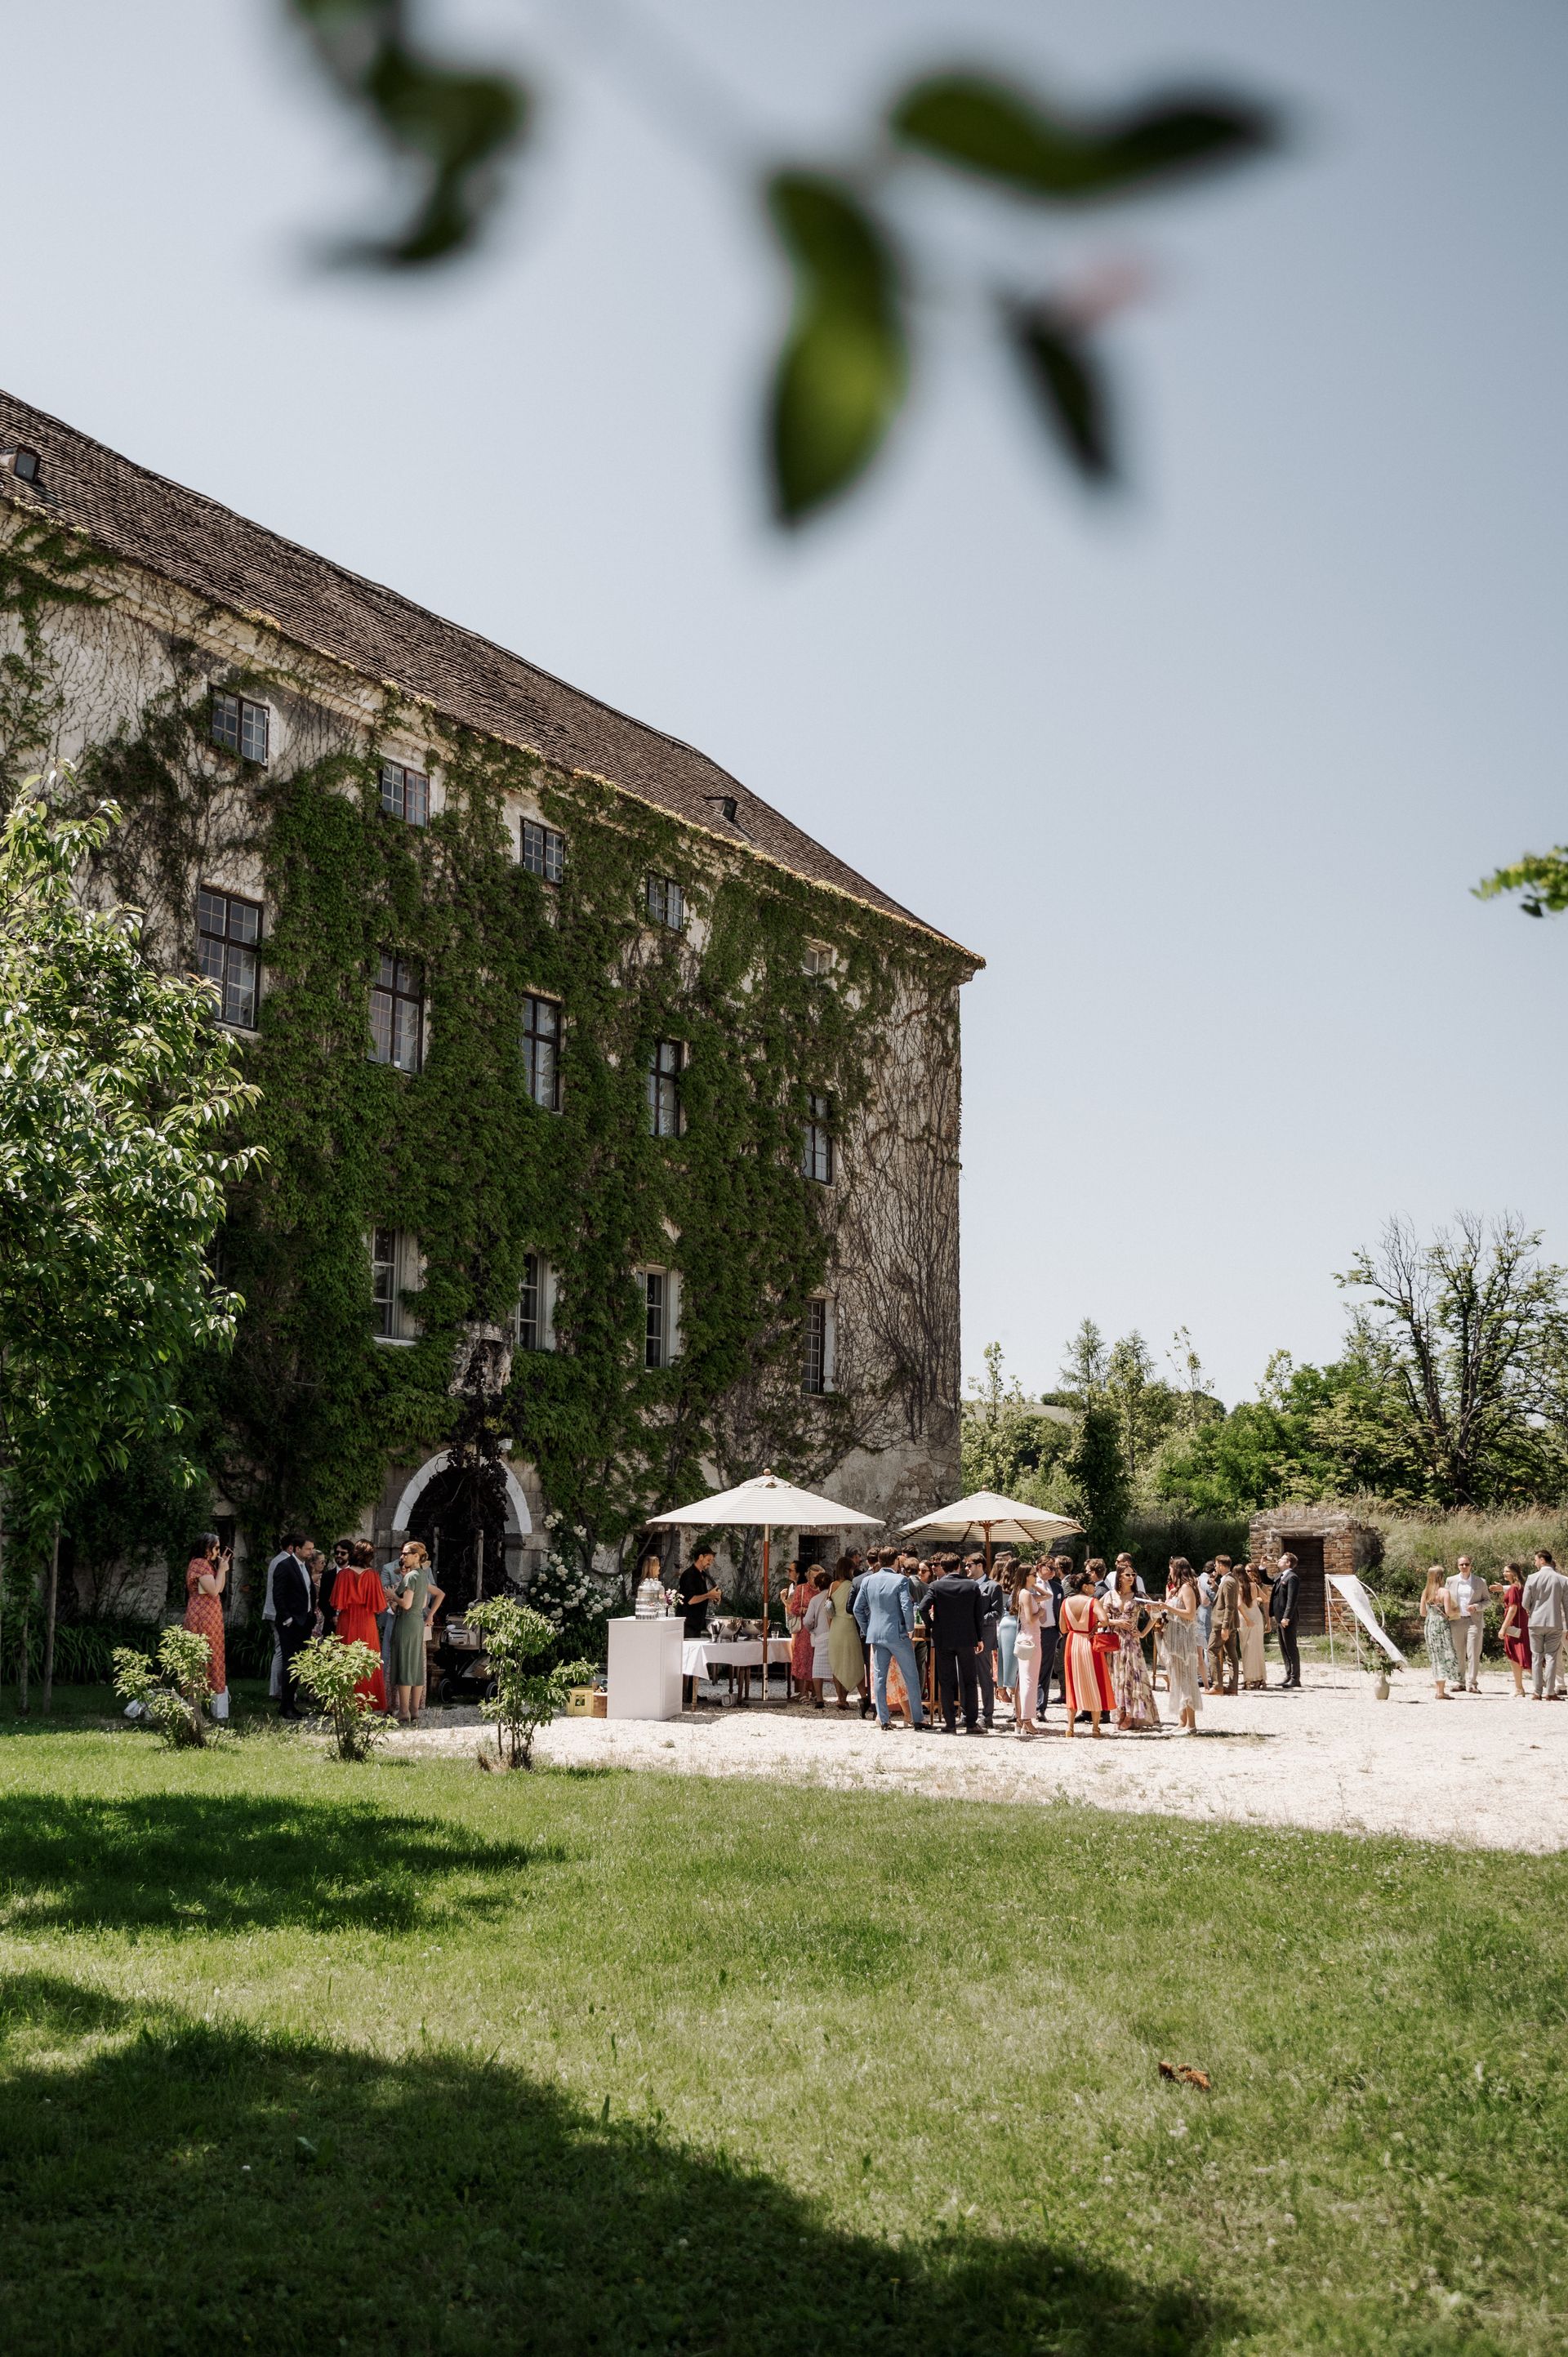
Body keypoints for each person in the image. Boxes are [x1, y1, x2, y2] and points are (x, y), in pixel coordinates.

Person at [853, 1556, 928, 1731]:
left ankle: (884, 1719)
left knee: (879, 1678)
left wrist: (867, 1628)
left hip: (876, 1634)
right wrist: (910, 1629)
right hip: (898, 1634)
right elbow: (906, 1605)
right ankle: (918, 1718)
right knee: (911, 1676)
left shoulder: (868, 1580)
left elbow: (857, 1608)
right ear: (895, 1562)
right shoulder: (900, 1579)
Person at [923, 1553, 988, 1734]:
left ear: (944, 1567)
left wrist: (932, 1626)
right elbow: (978, 1615)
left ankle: (950, 1724)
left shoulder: (936, 1586)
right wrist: (979, 1637)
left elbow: (922, 1607)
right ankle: (971, 1723)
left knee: (946, 1680)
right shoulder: (972, 1586)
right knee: (969, 1681)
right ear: (958, 1566)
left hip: (944, 1638)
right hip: (967, 1638)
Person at [390, 1538, 443, 1725]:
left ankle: (404, 1711)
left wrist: (392, 1596)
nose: (402, 1556)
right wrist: (429, 1617)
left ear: (416, 1556)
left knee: (405, 1664)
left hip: (406, 1623)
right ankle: (414, 1710)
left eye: (406, 1554)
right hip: (417, 1622)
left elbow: (406, 1604)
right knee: (415, 1666)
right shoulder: (421, 1575)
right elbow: (440, 1594)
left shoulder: (411, 1576)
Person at [331, 1539, 388, 1712]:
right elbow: (379, 1606)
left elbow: (335, 1602)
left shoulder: (343, 1575)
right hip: (367, 1621)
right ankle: (368, 1702)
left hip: (347, 1619)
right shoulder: (372, 1575)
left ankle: (345, 1702)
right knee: (368, 1660)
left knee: (345, 1657)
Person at [1106, 1562, 1160, 1730]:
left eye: (1133, 1575)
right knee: (1117, 1677)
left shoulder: (1138, 1596)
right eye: (1127, 1574)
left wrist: (1143, 1633)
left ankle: (1130, 1715)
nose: (1131, 1577)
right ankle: (1120, 1711)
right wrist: (1116, 1622)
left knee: (1131, 1677)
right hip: (1115, 1640)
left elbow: (1156, 1614)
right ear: (1119, 1577)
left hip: (1131, 1641)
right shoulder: (1110, 1595)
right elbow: (1100, 1617)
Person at [1058, 1571, 1114, 1737]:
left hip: (1072, 1641)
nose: (1094, 1588)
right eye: (1092, 1585)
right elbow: (1104, 1620)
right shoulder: (1092, 1602)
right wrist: (1095, 1627)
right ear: (1085, 1586)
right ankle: (1095, 1728)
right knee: (1094, 1681)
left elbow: (1063, 1629)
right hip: (1089, 1642)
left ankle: (1070, 1727)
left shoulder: (1066, 1602)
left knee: (1073, 1684)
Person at [183, 1533, 230, 1722]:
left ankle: (206, 1706)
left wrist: (222, 1570)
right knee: (204, 1656)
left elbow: (218, 1588)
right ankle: (196, 1707)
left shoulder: (204, 1564)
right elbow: (214, 1590)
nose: (218, 1552)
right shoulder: (200, 1563)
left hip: (208, 1614)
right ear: (206, 1548)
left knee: (213, 1655)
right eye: (216, 1548)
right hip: (203, 1615)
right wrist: (222, 1570)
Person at [271, 1533, 315, 1722]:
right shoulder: (285, 1566)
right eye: (308, 1549)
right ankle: (285, 1706)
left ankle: (290, 1705)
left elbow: (308, 1591)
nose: (311, 1552)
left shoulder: (305, 1566)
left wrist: (310, 1614)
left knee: (299, 1665)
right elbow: (278, 1595)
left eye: (312, 1549)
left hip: (304, 1622)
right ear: (296, 1549)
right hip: (291, 1624)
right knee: (290, 1664)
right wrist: (287, 1619)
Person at [678, 1544, 722, 1708]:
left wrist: (713, 1597)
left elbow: (702, 1597)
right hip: (687, 1621)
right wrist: (708, 1595)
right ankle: (684, 1694)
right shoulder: (689, 1575)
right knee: (688, 1658)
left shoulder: (703, 1575)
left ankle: (691, 1693)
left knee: (693, 1659)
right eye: (709, 1559)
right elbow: (690, 1600)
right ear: (700, 1557)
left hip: (696, 1622)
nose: (710, 1562)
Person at [1162, 1560, 1203, 1735]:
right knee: (1177, 1679)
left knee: (1186, 1678)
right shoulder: (1176, 1590)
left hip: (1184, 1638)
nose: (1169, 1571)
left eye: (1171, 1568)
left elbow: (1190, 1613)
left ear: (1178, 1570)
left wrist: (1167, 1607)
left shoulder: (1187, 1588)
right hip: (1172, 1637)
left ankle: (1191, 1725)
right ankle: (1181, 1721)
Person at [1521, 1548, 1568, 1700]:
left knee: (1536, 1657)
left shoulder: (1532, 1578)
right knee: (1552, 1657)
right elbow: (1566, 1606)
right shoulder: (1563, 1579)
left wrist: (1530, 1610)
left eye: (1536, 1560)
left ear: (1542, 1560)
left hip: (1535, 1621)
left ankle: (1537, 1691)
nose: (1535, 1563)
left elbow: (1525, 1603)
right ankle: (1550, 1692)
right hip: (1555, 1622)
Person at [968, 1550, 1004, 1730]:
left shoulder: (993, 1586)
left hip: (984, 1636)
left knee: (984, 1677)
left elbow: (997, 1613)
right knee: (966, 1678)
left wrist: (977, 1619)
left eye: (970, 1565)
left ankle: (987, 1715)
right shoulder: (966, 1585)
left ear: (980, 1565)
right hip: (967, 1637)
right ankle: (968, 1714)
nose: (966, 1568)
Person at [1446, 1555, 1490, 1694]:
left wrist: (1477, 1606)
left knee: (1474, 1653)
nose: (1464, 1567)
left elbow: (1487, 1601)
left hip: (1473, 1621)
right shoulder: (1451, 1581)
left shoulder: (1480, 1581)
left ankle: (1472, 1683)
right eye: (1461, 1564)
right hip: (1456, 1620)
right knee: (1458, 1653)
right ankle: (1460, 1682)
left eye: (1467, 1564)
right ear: (1457, 1566)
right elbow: (1444, 1599)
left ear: (1471, 1565)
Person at [826, 1553, 866, 1712]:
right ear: (850, 1569)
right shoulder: (853, 1585)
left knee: (837, 1663)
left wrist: (831, 1627)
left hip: (836, 1626)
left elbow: (828, 1609)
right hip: (849, 1625)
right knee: (855, 1661)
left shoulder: (832, 1585)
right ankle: (864, 1696)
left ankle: (840, 1698)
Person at [1011, 1566, 1043, 1740]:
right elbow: (1031, 1619)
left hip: (1027, 1637)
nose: (1036, 1576)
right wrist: (1041, 1612)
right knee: (1029, 1681)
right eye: (1033, 1574)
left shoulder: (1024, 1593)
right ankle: (1026, 1720)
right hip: (1031, 1638)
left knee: (1025, 1680)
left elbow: (1048, 1596)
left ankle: (1020, 1720)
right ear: (1026, 1576)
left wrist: (1035, 1585)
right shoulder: (1026, 1594)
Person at [1419, 1564, 1460, 1700]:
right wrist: (1457, 1611)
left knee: (1435, 1657)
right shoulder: (1445, 1592)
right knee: (1444, 1655)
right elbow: (1448, 1612)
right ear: (1441, 1576)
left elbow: (1423, 1613)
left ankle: (1439, 1690)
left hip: (1430, 1625)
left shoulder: (1426, 1592)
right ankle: (1440, 1692)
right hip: (1441, 1625)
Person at [801, 1566, 835, 1709]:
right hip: (836, 1634)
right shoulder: (835, 1596)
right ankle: (842, 1697)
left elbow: (808, 1620)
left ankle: (819, 1698)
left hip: (820, 1635)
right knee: (837, 1668)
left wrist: (812, 1630)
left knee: (818, 1669)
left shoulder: (815, 1599)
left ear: (817, 1584)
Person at [1207, 1557, 1241, 1696]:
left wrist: (1225, 1626)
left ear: (1221, 1565)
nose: (1215, 1567)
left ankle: (1217, 1685)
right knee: (1231, 1654)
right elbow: (1223, 1599)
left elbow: (1230, 1605)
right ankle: (1232, 1687)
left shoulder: (1228, 1581)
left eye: (1216, 1565)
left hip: (1222, 1623)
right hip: (1229, 1623)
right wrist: (1214, 1585)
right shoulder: (1228, 1580)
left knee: (1212, 1650)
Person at [1497, 1561, 1531, 1699]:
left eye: (1507, 1571)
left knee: (1518, 1655)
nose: (1504, 1573)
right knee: (1518, 1656)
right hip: (1523, 1622)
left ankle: (1542, 1684)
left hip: (1514, 1624)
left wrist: (1503, 1628)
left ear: (1514, 1573)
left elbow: (1512, 1609)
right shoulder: (1522, 1586)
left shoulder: (1513, 1588)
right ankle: (1519, 1688)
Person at [1272, 1553, 1302, 1690]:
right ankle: (1288, 1674)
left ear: (1288, 1563)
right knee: (1283, 1647)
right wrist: (1261, 1567)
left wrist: (1287, 1617)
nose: (1278, 1560)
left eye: (1282, 1559)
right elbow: (1267, 1580)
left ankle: (1295, 1678)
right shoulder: (1280, 1576)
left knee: (1290, 1647)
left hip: (1287, 1618)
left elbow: (1292, 1599)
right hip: (1279, 1617)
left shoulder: (1292, 1577)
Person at [784, 1563, 813, 1698]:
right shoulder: (793, 1587)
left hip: (801, 1627)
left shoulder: (800, 1589)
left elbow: (791, 1609)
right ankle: (802, 1691)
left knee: (804, 1657)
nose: (788, 1572)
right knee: (799, 1658)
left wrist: (783, 1600)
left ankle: (805, 1691)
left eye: (791, 1570)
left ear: (799, 1573)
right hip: (797, 1627)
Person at [996, 1565, 1021, 1721]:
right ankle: (1016, 1708)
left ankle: (1001, 1689)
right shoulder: (1019, 1590)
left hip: (1002, 1623)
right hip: (1013, 1623)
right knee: (1014, 1665)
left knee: (1004, 1661)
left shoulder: (999, 1585)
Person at [1238, 1567, 1267, 1691]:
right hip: (1257, 1616)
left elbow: (1239, 1604)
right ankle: (1262, 1679)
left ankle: (1248, 1680)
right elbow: (1266, 1598)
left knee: (1246, 1649)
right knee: (1258, 1648)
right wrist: (1256, 1600)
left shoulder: (1239, 1588)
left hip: (1245, 1618)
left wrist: (1247, 1619)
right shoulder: (1254, 1585)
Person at [1196, 1561, 1217, 1686]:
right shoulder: (1209, 1581)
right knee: (1208, 1645)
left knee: (1200, 1646)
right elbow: (1215, 1598)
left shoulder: (1197, 1579)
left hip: (1197, 1614)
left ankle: (1200, 1675)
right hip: (1208, 1614)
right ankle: (1208, 1675)